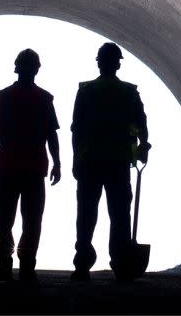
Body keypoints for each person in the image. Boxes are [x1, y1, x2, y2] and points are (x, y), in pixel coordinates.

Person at [70, 42, 151, 282]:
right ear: (117, 64)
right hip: (118, 162)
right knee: (119, 215)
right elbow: (139, 127)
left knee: (86, 214)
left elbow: (77, 129)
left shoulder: (85, 91)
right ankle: (121, 264)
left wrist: (75, 159)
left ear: (98, 62)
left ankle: (82, 265)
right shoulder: (128, 92)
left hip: (90, 162)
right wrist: (139, 150)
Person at [0, 49, 61, 283]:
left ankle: (5, 268)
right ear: (37, 69)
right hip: (33, 169)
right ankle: (26, 268)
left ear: (17, 67)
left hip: (8, 167)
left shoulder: (4, 97)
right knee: (32, 220)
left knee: (5, 220)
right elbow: (51, 135)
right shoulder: (44, 99)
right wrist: (57, 163)